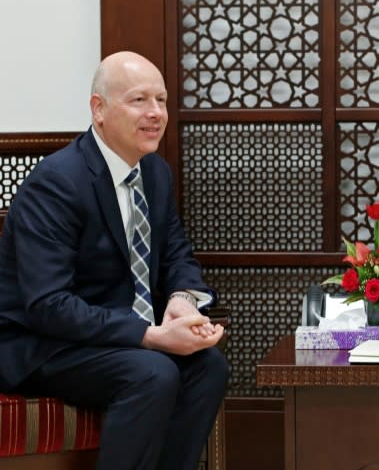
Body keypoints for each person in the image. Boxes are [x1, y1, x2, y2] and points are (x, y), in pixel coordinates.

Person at [0, 51, 229, 470]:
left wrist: (182, 300)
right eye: (139, 100)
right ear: (99, 109)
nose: (156, 113)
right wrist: (151, 336)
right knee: (152, 372)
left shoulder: (155, 173)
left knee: (208, 367)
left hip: (115, 336)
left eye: (161, 100)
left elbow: (177, 253)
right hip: (48, 343)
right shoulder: (55, 183)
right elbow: (47, 304)